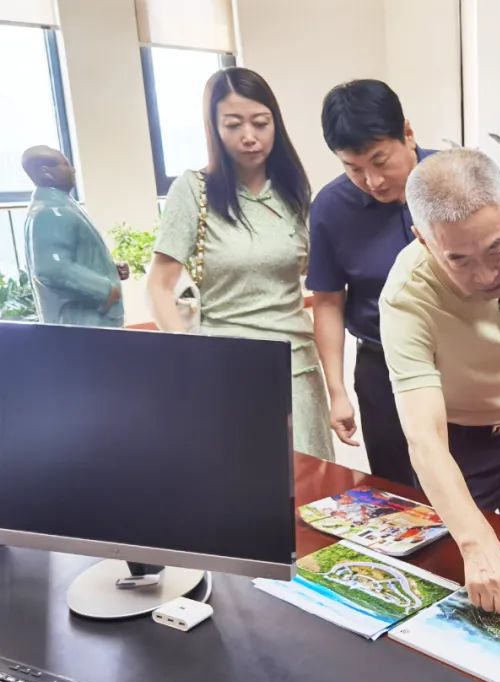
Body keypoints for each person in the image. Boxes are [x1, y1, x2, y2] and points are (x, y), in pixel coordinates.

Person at [380, 148, 500, 626]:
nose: (487, 275)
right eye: (459, 260)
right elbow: (425, 440)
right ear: (424, 241)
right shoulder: (405, 298)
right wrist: (476, 543)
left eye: (497, 249)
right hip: (461, 448)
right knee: (465, 588)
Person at [147, 67, 334, 461]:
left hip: (297, 368)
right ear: (214, 128)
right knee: (240, 481)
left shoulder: (293, 192)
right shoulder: (193, 190)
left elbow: (312, 276)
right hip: (225, 370)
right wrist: (187, 354)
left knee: (310, 484)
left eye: (260, 123)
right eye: (233, 125)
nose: (249, 136)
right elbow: (159, 285)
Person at [307, 80, 435, 484]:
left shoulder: (455, 179)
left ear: (407, 133)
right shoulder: (331, 208)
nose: (373, 181)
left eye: (380, 161)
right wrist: (337, 390)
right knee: (399, 490)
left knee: (472, 484)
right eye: (354, 168)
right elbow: (328, 301)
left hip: (459, 360)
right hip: (383, 368)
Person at [21, 146, 128, 326]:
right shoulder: (51, 212)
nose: (73, 170)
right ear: (46, 172)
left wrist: (109, 270)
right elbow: (52, 269)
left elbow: (71, 259)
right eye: (66, 165)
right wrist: (105, 289)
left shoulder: (60, 206)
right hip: (82, 323)